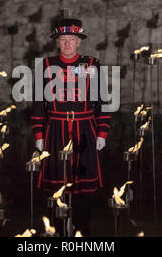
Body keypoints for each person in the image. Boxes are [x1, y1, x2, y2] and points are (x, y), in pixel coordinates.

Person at [31, 18, 111, 236]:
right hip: (55, 130)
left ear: (78, 42)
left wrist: (102, 132)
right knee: (56, 183)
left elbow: (102, 100)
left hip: (85, 130)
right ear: (58, 42)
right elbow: (38, 102)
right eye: (62, 39)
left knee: (83, 186)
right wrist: (39, 134)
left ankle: (82, 229)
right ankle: (56, 229)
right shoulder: (46, 66)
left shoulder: (92, 64)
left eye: (71, 39)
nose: (67, 44)